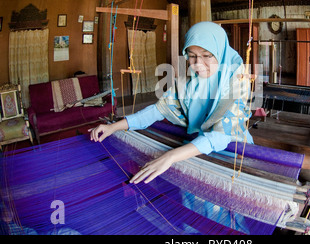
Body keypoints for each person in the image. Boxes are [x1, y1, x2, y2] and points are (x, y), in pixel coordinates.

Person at [89, 21, 253, 185]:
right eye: (192, 55)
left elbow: (221, 134)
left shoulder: (236, 82)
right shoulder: (187, 83)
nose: (197, 63)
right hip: (195, 149)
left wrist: (170, 156)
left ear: (220, 52)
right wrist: (113, 127)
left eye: (206, 55)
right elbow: (157, 110)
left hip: (233, 155)